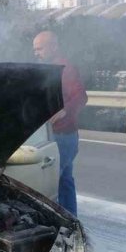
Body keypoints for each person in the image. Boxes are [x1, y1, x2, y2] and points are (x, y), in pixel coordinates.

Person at [33, 30, 88, 216]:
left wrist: (65, 110)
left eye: (40, 48)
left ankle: (54, 224)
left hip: (63, 136)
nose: (36, 53)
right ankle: (70, 220)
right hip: (55, 135)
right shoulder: (49, 69)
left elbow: (81, 96)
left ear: (53, 47)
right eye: (35, 49)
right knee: (64, 180)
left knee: (50, 180)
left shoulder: (66, 69)